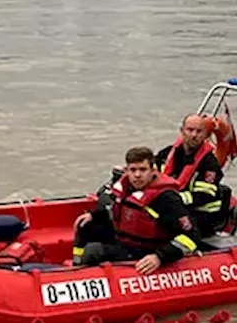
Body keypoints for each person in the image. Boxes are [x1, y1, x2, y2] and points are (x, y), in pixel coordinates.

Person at [71, 146, 200, 275]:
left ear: (152, 170)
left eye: (143, 170)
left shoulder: (166, 198)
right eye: (133, 170)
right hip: (124, 240)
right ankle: (75, 268)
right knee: (85, 225)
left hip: (145, 249)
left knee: (93, 250)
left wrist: (159, 257)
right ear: (126, 170)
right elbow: (118, 211)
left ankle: (84, 276)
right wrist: (94, 215)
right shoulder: (125, 187)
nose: (137, 175)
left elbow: (192, 236)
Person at [155, 114, 228, 236]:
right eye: (190, 130)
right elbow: (152, 173)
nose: (194, 135)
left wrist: (172, 200)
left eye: (199, 131)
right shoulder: (168, 154)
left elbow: (203, 196)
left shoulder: (209, 164)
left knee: (166, 222)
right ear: (182, 131)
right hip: (174, 206)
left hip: (201, 213)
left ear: (205, 134)